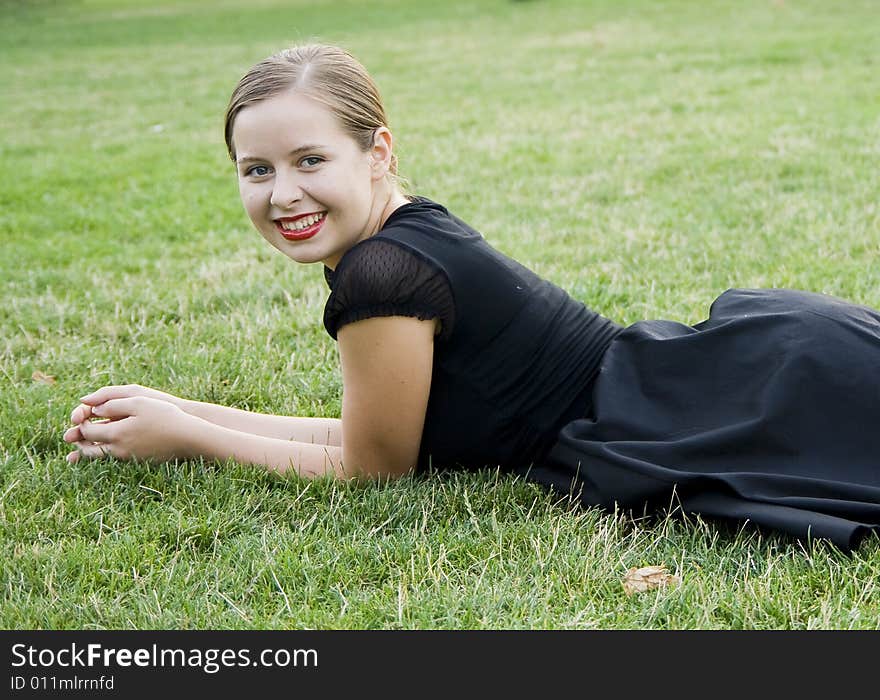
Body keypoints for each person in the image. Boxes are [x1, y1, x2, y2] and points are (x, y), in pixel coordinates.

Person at [63, 44, 880, 551]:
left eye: (310, 160)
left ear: (378, 151)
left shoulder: (383, 275)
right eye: (257, 170)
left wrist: (193, 439)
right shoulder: (401, 233)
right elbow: (377, 435)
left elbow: (372, 470)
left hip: (705, 409)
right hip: (701, 380)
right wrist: (181, 409)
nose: (283, 193)